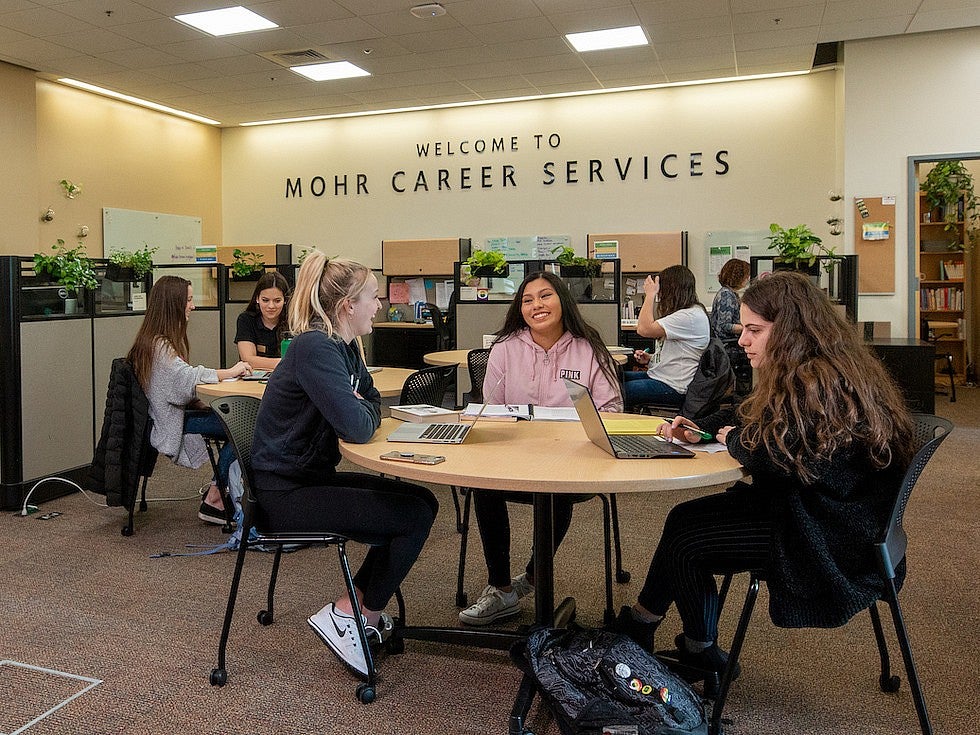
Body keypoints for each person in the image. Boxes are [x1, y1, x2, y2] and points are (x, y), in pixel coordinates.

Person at [615, 271, 916, 681]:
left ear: (792, 331)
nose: (742, 341)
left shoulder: (817, 384)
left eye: (755, 330)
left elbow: (781, 458)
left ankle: (696, 650)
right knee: (683, 518)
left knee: (687, 537)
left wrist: (735, 439)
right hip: (824, 511)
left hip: (827, 534)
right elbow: (750, 417)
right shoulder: (818, 369)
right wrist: (706, 426)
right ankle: (643, 624)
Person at [250, 251, 438, 680]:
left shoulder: (346, 347)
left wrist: (361, 407)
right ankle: (355, 613)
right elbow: (356, 427)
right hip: (284, 495)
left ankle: (352, 609)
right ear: (347, 305)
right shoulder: (315, 347)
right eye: (373, 297)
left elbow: (371, 402)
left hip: (309, 479)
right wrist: (360, 409)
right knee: (411, 516)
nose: (380, 305)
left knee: (423, 501)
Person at [458, 271, 623, 626]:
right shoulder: (504, 349)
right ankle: (501, 589)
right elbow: (492, 411)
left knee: (557, 494)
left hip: (571, 458)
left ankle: (533, 578)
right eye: (528, 300)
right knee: (483, 485)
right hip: (513, 457)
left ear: (563, 300)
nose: (536, 305)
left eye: (545, 296)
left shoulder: (590, 349)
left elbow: (612, 412)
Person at [126, 275, 252, 525]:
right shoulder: (159, 346)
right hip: (170, 422)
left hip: (171, 415)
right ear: (173, 304)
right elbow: (185, 382)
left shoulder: (153, 341)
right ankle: (215, 497)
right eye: (189, 300)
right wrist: (228, 372)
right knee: (246, 428)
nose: (192, 306)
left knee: (242, 425)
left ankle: (219, 492)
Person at [622, 265, 710, 412]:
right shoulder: (687, 313)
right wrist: (650, 358)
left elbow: (643, 329)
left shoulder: (689, 316)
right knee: (611, 379)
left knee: (615, 390)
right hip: (660, 376)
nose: (660, 296)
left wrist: (649, 295)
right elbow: (680, 354)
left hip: (673, 386)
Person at [234, 271, 289, 370]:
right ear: (257, 299)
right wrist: (285, 363)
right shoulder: (246, 319)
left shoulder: (294, 321)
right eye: (265, 300)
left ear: (285, 300)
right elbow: (247, 359)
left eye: (277, 301)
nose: (271, 306)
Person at [709, 258, 750, 340]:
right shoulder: (726, 295)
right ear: (739, 277)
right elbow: (725, 325)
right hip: (729, 345)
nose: (748, 279)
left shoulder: (729, 293)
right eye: (746, 276)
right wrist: (749, 328)